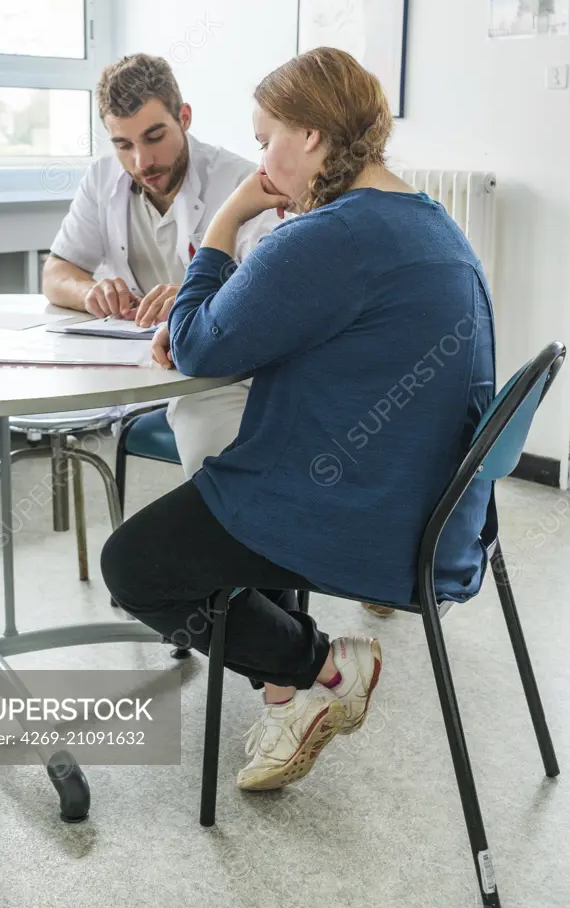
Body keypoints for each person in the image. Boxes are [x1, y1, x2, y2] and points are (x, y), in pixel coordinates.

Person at [101, 47, 495, 792]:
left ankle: (326, 670)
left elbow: (197, 342)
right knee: (214, 512)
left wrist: (227, 215)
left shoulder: (333, 235)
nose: (259, 160)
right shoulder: (428, 220)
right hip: (435, 514)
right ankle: (293, 698)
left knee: (134, 568)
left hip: (361, 516)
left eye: (264, 138)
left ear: (310, 135)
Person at [43, 53, 280, 478]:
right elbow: (56, 273)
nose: (142, 162)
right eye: (123, 144)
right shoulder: (101, 180)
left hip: (220, 370)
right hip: (142, 365)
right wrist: (90, 291)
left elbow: (266, 292)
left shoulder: (241, 182)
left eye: (155, 137)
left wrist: (195, 302)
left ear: (184, 117)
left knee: (212, 446)